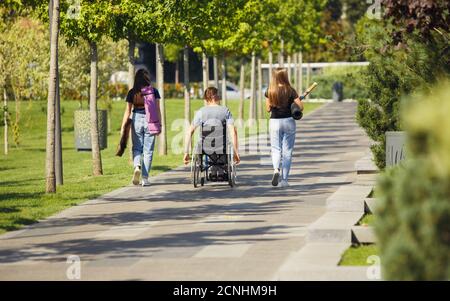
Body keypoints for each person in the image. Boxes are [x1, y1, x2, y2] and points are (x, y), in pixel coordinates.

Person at [120, 69, 161, 186]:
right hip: (151, 120)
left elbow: (127, 111)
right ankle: (145, 178)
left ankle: (137, 166)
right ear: (147, 79)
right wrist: (160, 124)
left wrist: (123, 127)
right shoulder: (154, 91)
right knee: (148, 150)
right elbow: (157, 109)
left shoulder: (132, 92)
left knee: (137, 147)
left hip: (136, 118)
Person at [265, 68, 304, 188]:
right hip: (288, 121)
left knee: (276, 149)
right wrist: (294, 102)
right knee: (287, 151)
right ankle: (284, 180)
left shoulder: (270, 91)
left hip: (275, 122)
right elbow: (301, 107)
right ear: (285, 76)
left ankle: (276, 169)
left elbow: (268, 109)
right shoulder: (290, 90)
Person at [184, 87, 240, 165]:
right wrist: (235, 152)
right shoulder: (225, 111)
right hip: (222, 146)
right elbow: (233, 132)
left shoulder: (201, 111)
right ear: (214, 97)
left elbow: (189, 132)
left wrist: (186, 152)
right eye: (219, 95)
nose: (220, 97)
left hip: (205, 147)